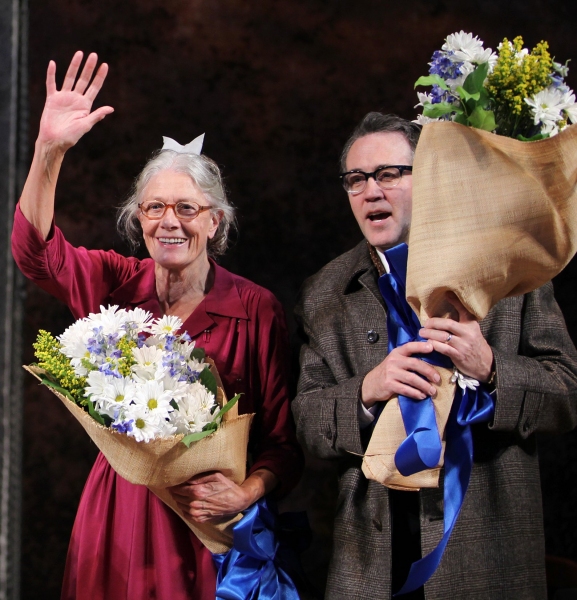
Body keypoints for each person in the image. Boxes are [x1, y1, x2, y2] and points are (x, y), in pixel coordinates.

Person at [13, 51, 302, 600]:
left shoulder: (255, 307)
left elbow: (282, 443)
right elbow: (35, 255)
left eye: (187, 209)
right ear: (137, 218)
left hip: (203, 526)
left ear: (215, 222)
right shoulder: (114, 283)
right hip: (117, 515)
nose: (169, 221)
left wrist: (246, 493)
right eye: (154, 208)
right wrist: (48, 151)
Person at [292, 111, 577, 600]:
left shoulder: (512, 268)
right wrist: (367, 389)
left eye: (388, 174)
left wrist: (489, 368)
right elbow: (307, 422)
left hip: (488, 553)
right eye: (356, 179)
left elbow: (567, 395)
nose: (370, 191)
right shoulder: (325, 292)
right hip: (372, 560)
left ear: (431, 176)